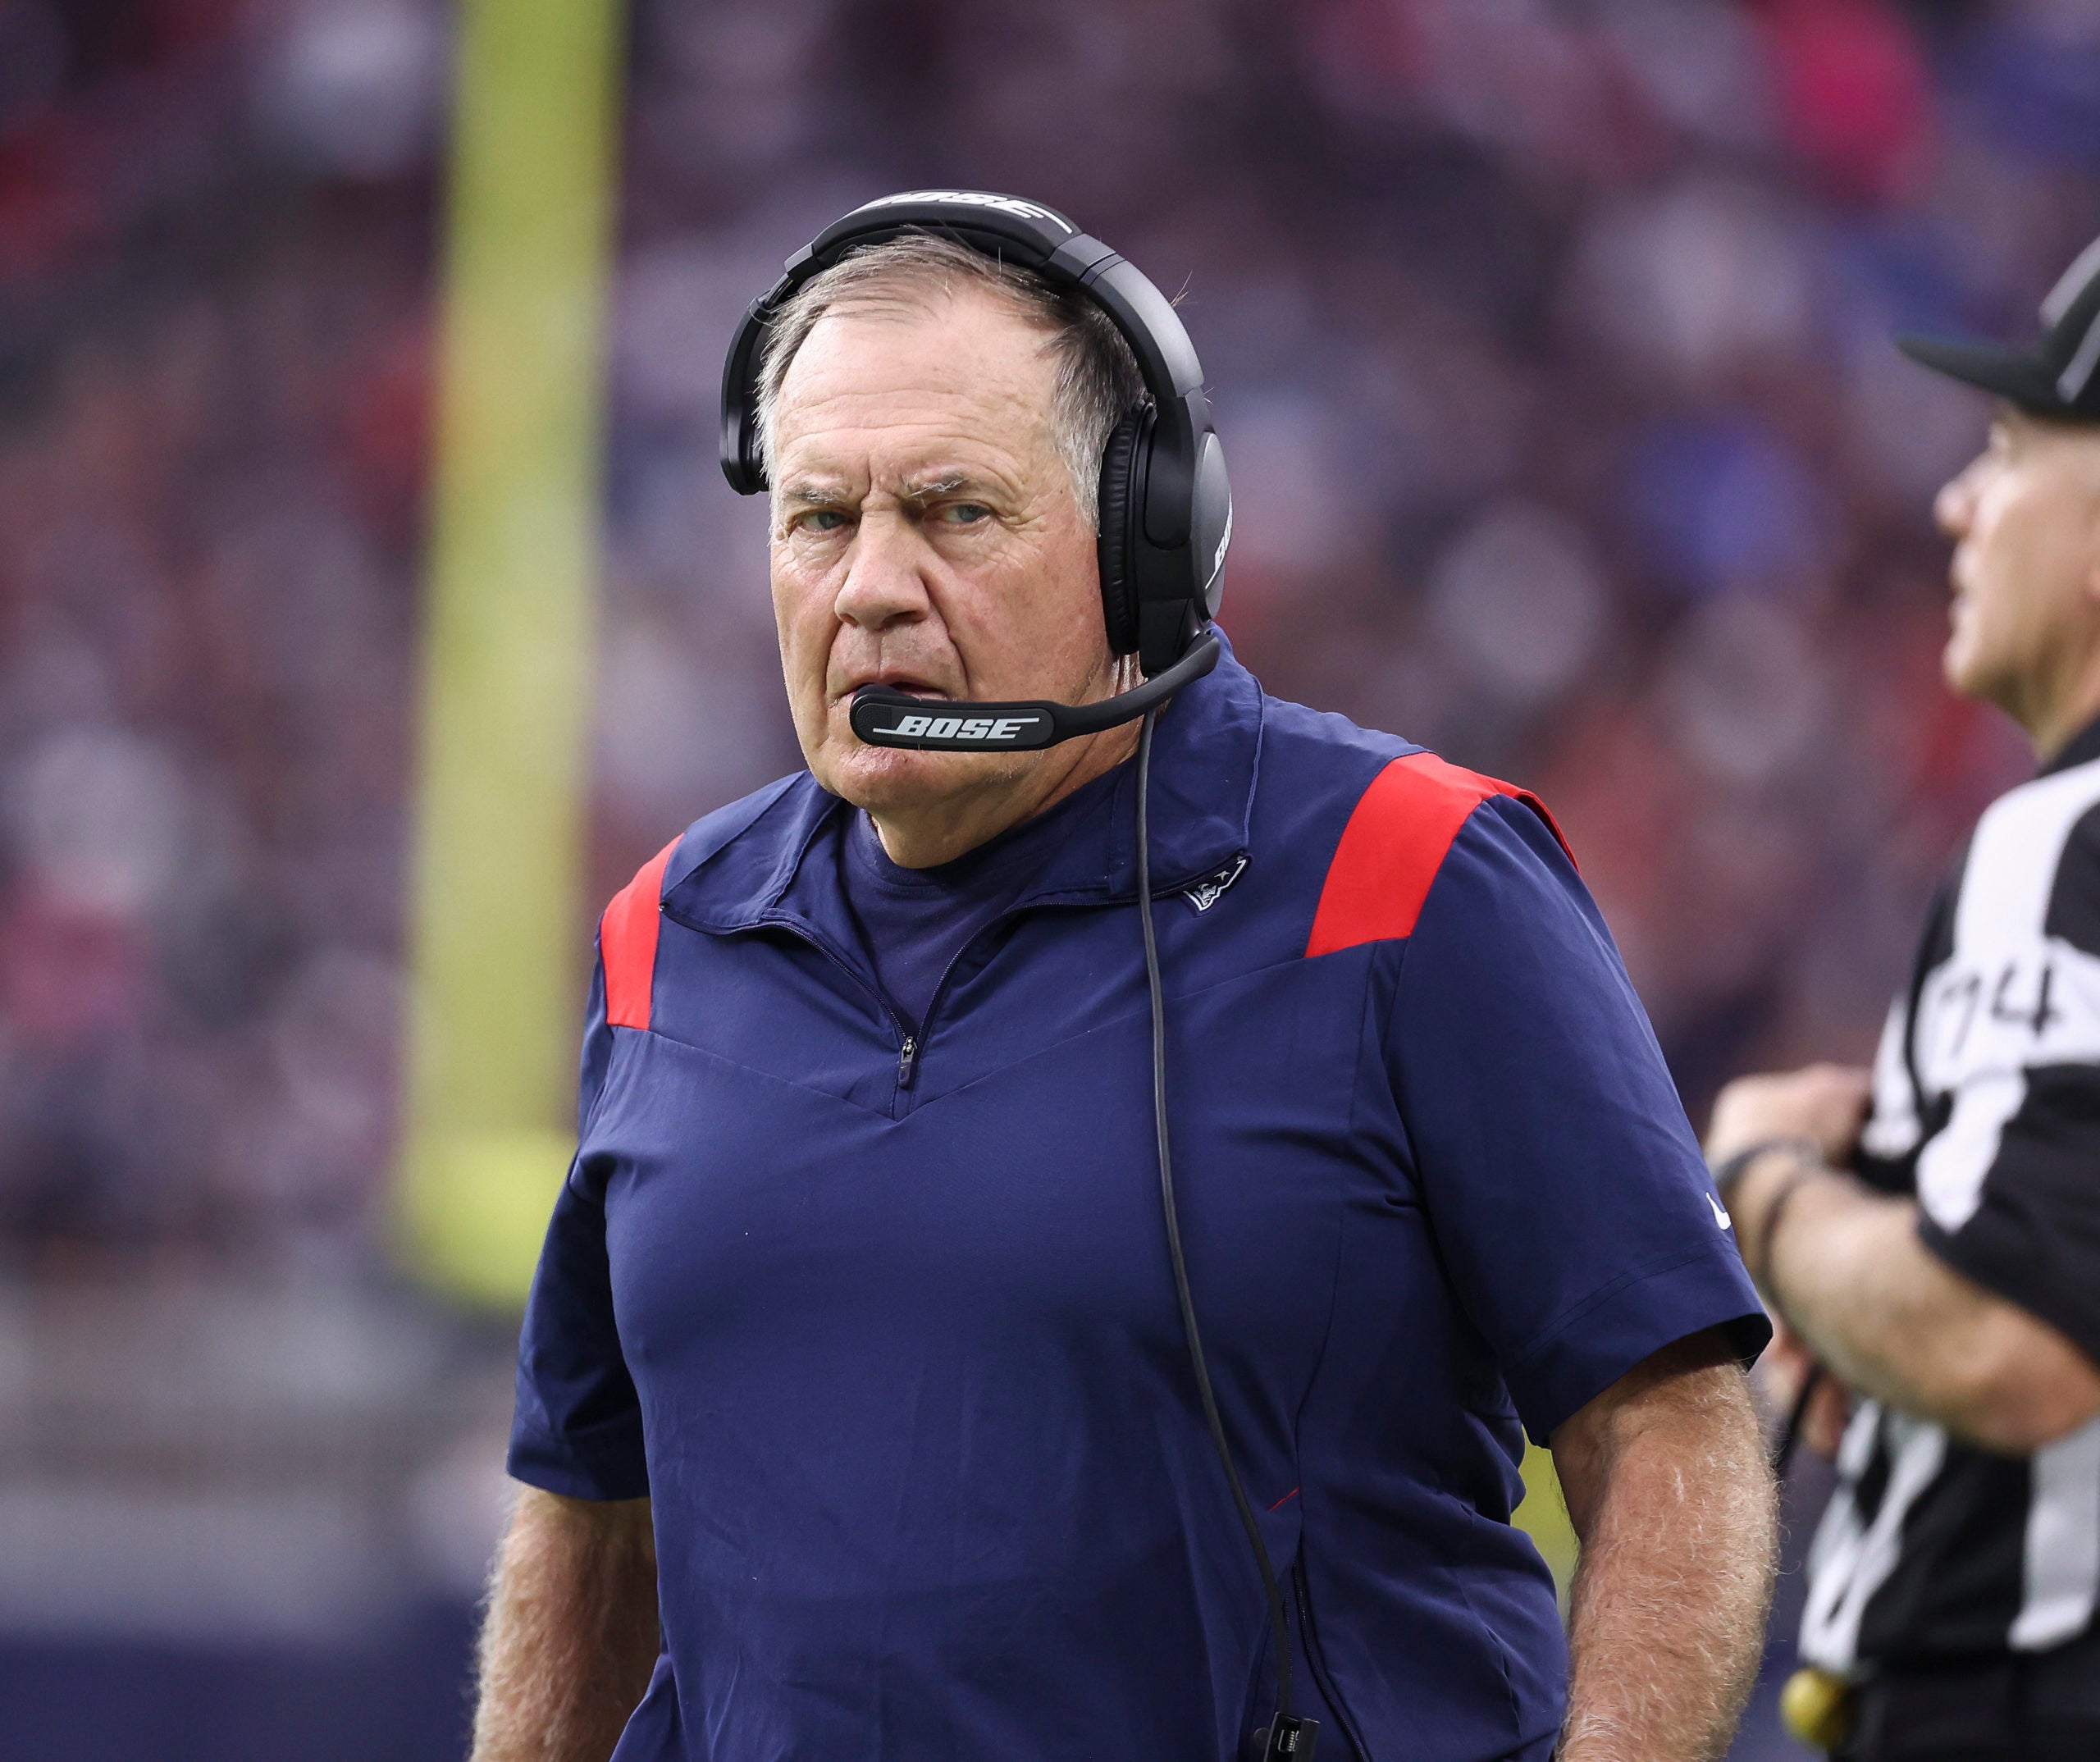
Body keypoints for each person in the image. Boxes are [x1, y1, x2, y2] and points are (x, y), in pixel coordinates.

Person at [471, 192, 1776, 1762]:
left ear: (1147, 542)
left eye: (954, 511)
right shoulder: (667, 935)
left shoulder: (1412, 874)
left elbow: (1669, 1430)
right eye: (820, 518)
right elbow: (586, 1512)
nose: (870, 587)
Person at [1709, 238, 2100, 1762]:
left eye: (2008, 452)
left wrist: (1772, 1188)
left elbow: (2009, 1338)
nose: (1957, 502)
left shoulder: (2067, 839)